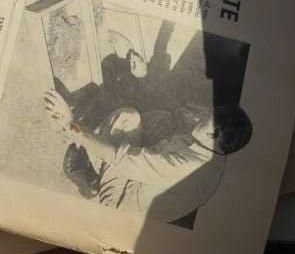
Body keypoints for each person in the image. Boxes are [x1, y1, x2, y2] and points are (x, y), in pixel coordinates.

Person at [43, 91, 253, 226]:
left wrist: (70, 125)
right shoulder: (213, 147)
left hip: (119, 204)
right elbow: (179, 115)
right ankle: (90, 150)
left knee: (123, 122)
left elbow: (119, 157)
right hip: (146, 181)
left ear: (213, 134)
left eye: (205, 118)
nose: (200, 116)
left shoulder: (188, 168)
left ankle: (89, 180)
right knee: (153, 118)